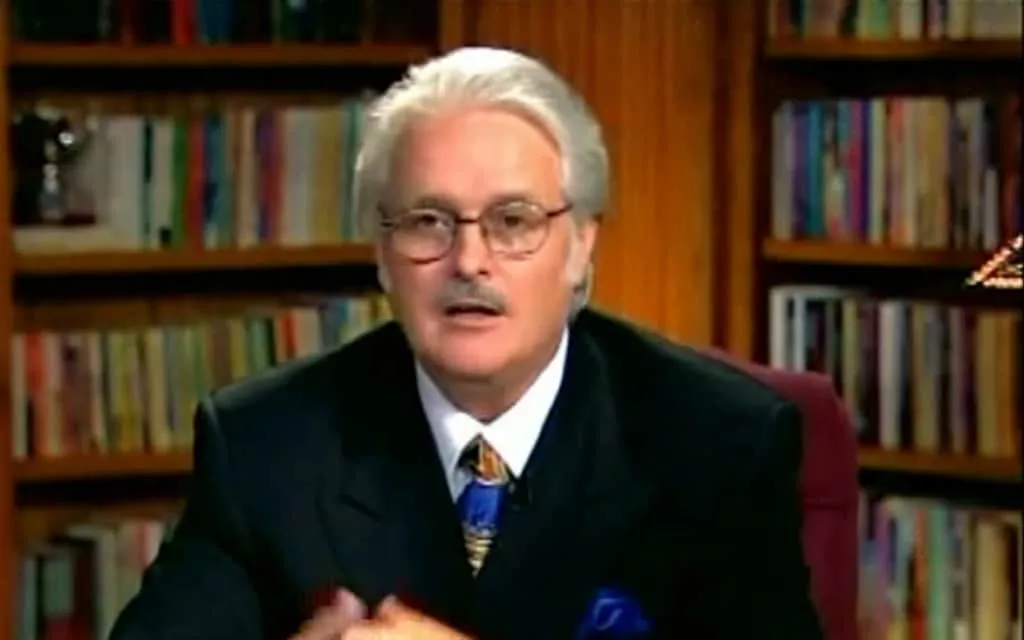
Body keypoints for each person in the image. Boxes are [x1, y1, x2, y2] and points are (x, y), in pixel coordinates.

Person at [109, 46, 824, 639]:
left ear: (581, 245)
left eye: (513, 221)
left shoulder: (717, 447)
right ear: (381, 254)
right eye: (428, 221)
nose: (470, 261)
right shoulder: (265, 445)